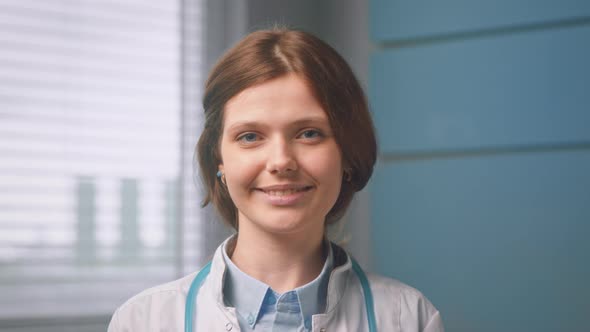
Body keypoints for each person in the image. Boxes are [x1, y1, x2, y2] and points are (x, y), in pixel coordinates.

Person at [108, 27, 444, 332]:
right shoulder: (142, 321)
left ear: (347, 153)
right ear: (218, 160)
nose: (281, 161)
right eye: (250, 136)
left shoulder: (408, 318)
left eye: (309, 133)